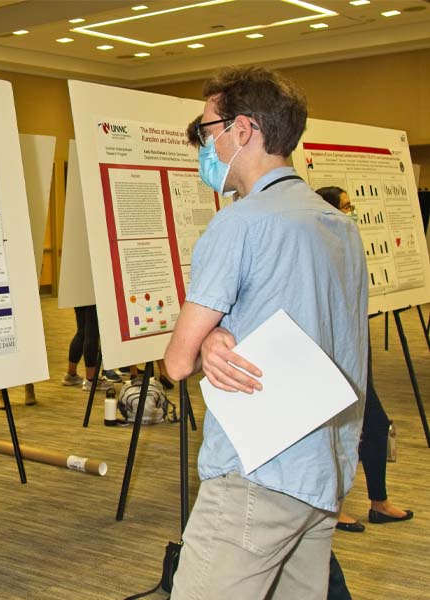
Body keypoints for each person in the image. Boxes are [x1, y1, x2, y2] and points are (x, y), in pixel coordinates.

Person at [164, 67, 368, 599]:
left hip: (255, 475)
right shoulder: (338, 225)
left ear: (243, 130)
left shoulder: (240, 223)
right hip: (323, 470)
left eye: (207, 132)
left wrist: (204, 339)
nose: (204, 147)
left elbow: (176, 363)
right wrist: (217, 336)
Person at [315, 186, 414, 532]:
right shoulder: (320, 251)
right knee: (337, 430)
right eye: (346, 206)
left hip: (357, 349)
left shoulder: (347, 247)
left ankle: (379, 502)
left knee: (374, 425)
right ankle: (331, 508)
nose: (352, 211)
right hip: (333, 352)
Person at [63, 305, 121, 392]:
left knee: (81, 331)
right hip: (92, 294)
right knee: (92, 332)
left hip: (77, 293)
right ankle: (91, 380)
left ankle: (71, 375)